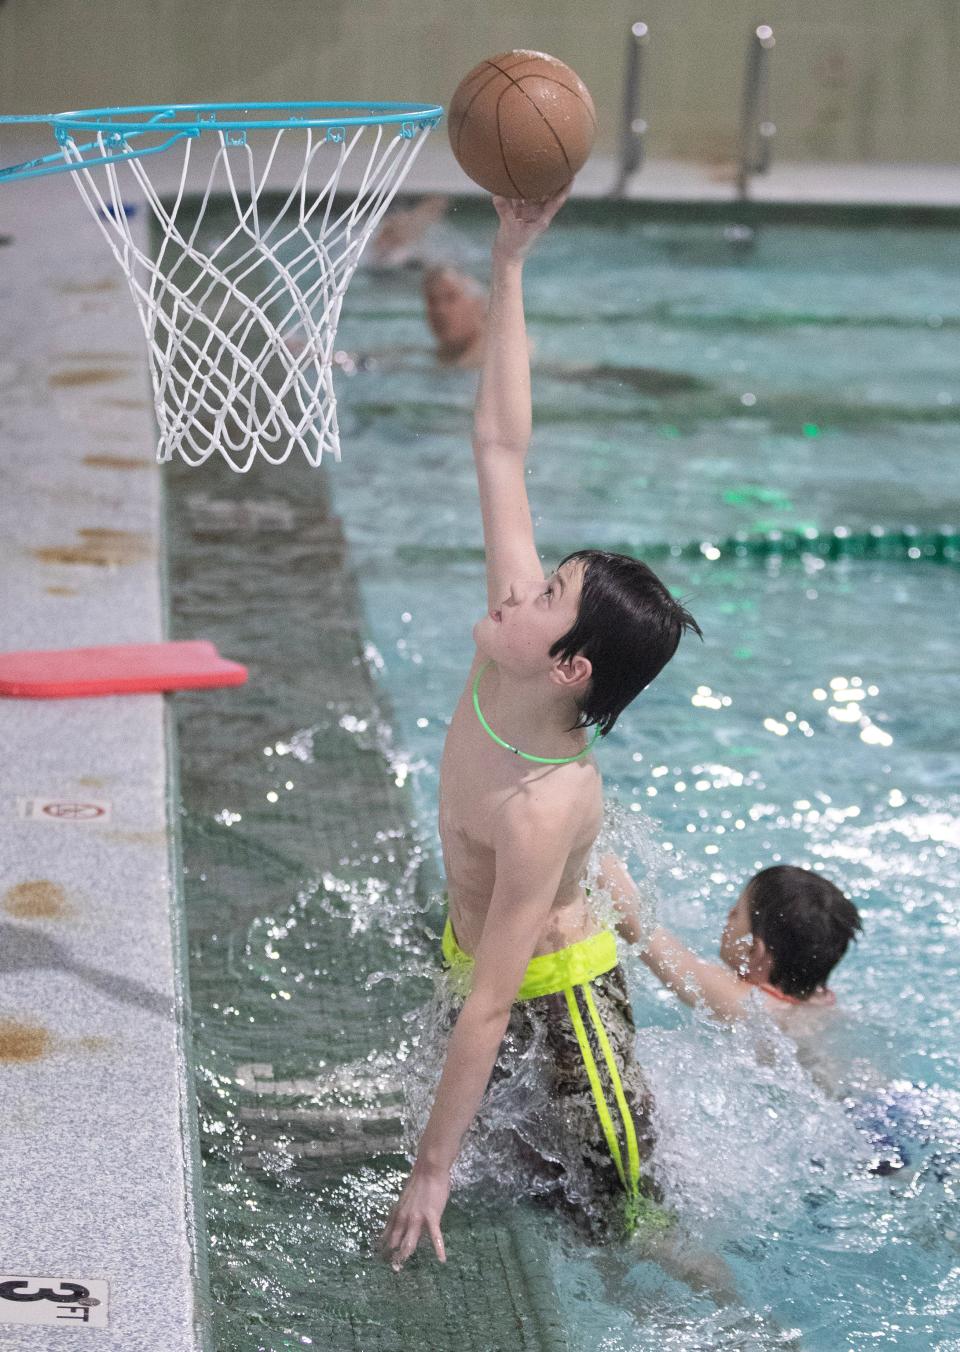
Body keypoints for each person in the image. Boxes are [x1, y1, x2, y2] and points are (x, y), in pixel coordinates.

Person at [378, 188, 701, 1272]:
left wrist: (429, 1169)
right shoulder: (512, 641)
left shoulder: (547, 800)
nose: (519, 587)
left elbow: (491, 1004)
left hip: (567, 1013)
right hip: (481, 958)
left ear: (570, 665)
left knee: (630, 1225)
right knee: (522, 1174)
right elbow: (501, 444)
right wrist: (511, 261)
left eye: (547, 591)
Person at [600, 858, 862, 1025]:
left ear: (755, 951)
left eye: (737, 913)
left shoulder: (748, 1004)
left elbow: (645, 933)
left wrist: (593, 845)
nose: (728, 916)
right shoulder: (819, 1001)